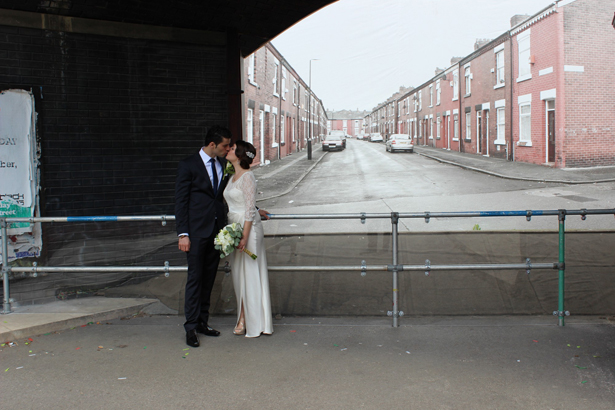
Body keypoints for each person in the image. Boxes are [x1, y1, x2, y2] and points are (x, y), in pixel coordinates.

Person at [175, 125, 232, 348]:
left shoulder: (223, 165)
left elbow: (228, 194)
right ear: (212, 144)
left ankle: (202, 322)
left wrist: (254, 209)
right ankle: (190, 327)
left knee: (209, 279)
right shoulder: (188, 165)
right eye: (225, 145)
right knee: (195, 279)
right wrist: (183, 234)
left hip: (216, 232)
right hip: (196, 233)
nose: (228, 149)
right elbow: (181, 201)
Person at [223, 140, 273, 337]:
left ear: (241, 154)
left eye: (233, 149)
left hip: (248, 231)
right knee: (238, 274)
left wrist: (243, 237)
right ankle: (242, 315)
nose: (228, 150)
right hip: (233, 227)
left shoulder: (248, 177)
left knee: (251, 272)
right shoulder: (233, 177)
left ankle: (253, 320)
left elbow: (249, 208)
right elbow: (241, 202)